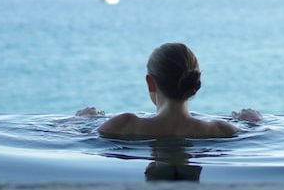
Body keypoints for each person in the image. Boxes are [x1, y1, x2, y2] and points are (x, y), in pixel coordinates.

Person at [78, 42, 261, 138]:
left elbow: (78, 137)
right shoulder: (220, 129)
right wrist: (254, 121)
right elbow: (255, 136)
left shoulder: (125, 125)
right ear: (194, 83)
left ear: (150, 83)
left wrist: (83, 120)